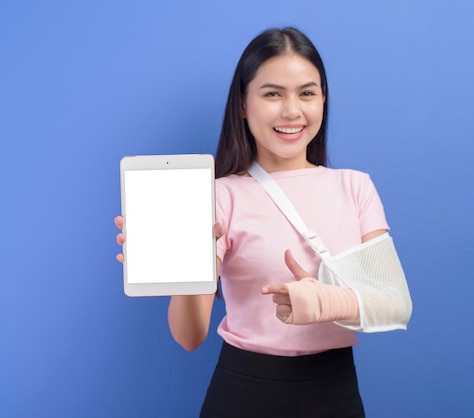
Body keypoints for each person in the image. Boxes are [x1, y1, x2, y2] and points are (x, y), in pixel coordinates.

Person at [115, 26, 410, 417]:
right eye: (272, 94)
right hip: (244, 392)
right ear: (242, 103)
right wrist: (183, 268)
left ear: (323, 99)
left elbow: (394, 304)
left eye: (307, 93)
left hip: (335, 391)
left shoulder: (355, 188)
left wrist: (322, 300)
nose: (292, 111)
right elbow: (190, 337)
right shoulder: (218, 196)